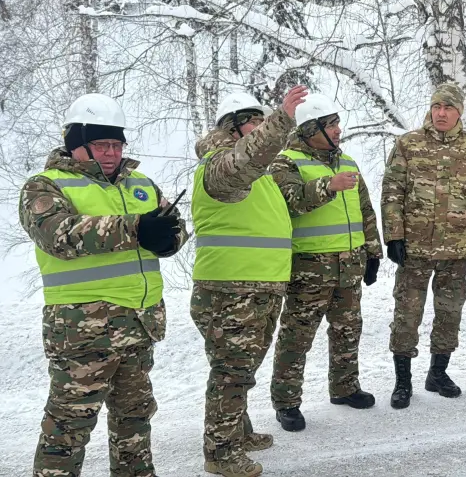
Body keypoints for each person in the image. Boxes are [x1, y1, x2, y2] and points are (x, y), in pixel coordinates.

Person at [20, 93, 187, 477]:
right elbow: (57, 235)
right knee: (68, 427)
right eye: (100, 144)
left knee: (135, 421)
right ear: (76, 143)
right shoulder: (45, 186)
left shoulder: (140, 183)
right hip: (83, 331)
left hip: (139, 324)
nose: (111, 153)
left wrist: (169, 239)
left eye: (116, 144)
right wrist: (137, 228)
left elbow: (173, 225)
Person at [190, 87, 307, 477]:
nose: (259, 127)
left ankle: (238, 432)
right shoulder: (220, 167)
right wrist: (281, 120)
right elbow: (244, 159)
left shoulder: (261, 174)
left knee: (243, 368)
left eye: (261, 120)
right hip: (230, 288)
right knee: (231, 370)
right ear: (232, 127)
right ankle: (220, 453)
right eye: (252, 121)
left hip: (260, 285)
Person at [269, 92, 383, 431]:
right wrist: (327, 185)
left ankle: (345, 388)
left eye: (337, 123)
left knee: (348, 330)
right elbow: (291, 202)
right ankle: (287, 401)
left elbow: (365, 211)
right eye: (330, 125)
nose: (337, 130)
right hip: (309, 269)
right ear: (309, 129)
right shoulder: (285, 162)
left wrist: (373, 252)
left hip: (349, 265)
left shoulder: (347, 162)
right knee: (297, 336)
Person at [380, 83, 466, 409]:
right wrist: (394, 235)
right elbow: (392, 192)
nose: (441, 113)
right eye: (437, 107)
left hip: (457, 250)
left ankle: (437, 373)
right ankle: (402, 382)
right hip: (414, 249)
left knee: (449, 313)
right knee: (406, 314)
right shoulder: (409, 144)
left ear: (459, 111)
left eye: (448, 108)